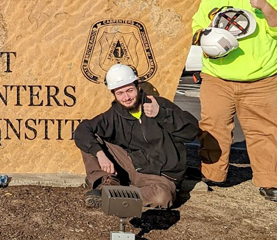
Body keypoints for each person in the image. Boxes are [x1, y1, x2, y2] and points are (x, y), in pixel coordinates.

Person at [192, 0, 277, 203]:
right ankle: (213, 174)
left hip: (261, 79)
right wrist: (206, 38)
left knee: (266, 132)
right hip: (218, 77)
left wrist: (265, 7)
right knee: (213, 128)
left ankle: (271, 182)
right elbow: (195, 27)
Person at [74, 64, 199, 209]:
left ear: (138, 87)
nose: (126, 97)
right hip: (131, 166)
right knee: (89, 138)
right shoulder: (114, 115)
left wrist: (162, 115)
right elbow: (82, 130)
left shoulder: (160, 105)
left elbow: (191, 131)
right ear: (114, 94)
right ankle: (108, 185)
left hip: (160, 177)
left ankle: (114, 196)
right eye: (120, 93)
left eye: (129, 90)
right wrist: (100, 154)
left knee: (161, 197)